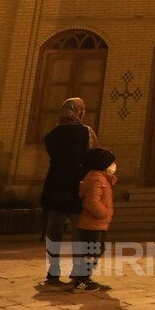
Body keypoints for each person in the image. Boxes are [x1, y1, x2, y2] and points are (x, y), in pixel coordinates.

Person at [41, 97, 98, 286]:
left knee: (54, 229)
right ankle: (79, 272)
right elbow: (93, 156)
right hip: (77, 185)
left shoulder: (52, 134)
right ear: (79, 111)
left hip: (55, 184)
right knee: (78, 230)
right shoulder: (86, 132)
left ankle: (53, 271)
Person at [72, 147, 117, 292]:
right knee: (91, 253)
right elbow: (92, 202)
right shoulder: (96, 179)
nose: (114, 165)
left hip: (98, 224)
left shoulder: (102, 178)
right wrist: (102, 213)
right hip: (92, 224)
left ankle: (84, 278)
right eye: (111, 163)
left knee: (95, 251)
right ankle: (81, 282)